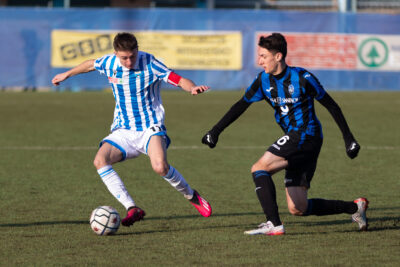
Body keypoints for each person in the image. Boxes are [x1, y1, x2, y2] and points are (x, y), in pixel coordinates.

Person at [201, 33, 368, 235]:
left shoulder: (302, 78)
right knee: (298, 207)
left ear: (278, 56)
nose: (259, 61)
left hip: (306, 135)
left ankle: (274, 224)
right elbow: (241, 105)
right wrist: (215, 131)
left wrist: (349, 139)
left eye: (263, 56)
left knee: (259, 168)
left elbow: (332, 106)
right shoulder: (263, 80)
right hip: (298, 140)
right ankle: (354, 208)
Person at [52, 32, 212, 227]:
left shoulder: (150, 63)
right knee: (99, 161)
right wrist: (66, 74)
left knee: (160, 167)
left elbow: (178, 79)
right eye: (124, 58)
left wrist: (192, 88)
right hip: (123, 130)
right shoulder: (109, 62)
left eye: (132, 56)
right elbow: (90, 64)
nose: (128, 62)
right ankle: (132, 208)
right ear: (115, 54)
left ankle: (191, 195)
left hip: (150, 128)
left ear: (137, 50)